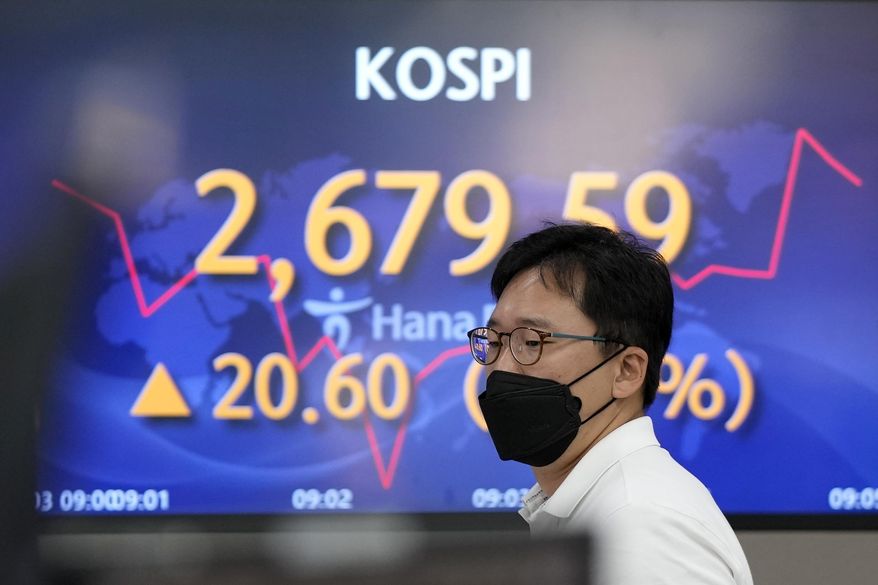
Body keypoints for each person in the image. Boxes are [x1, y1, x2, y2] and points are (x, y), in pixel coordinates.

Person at [467, 223, 753, 585]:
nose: (501, 366)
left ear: (626, 371)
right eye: (494, 339)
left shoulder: (640, 526)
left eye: (532, 341)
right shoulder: (594, 509)